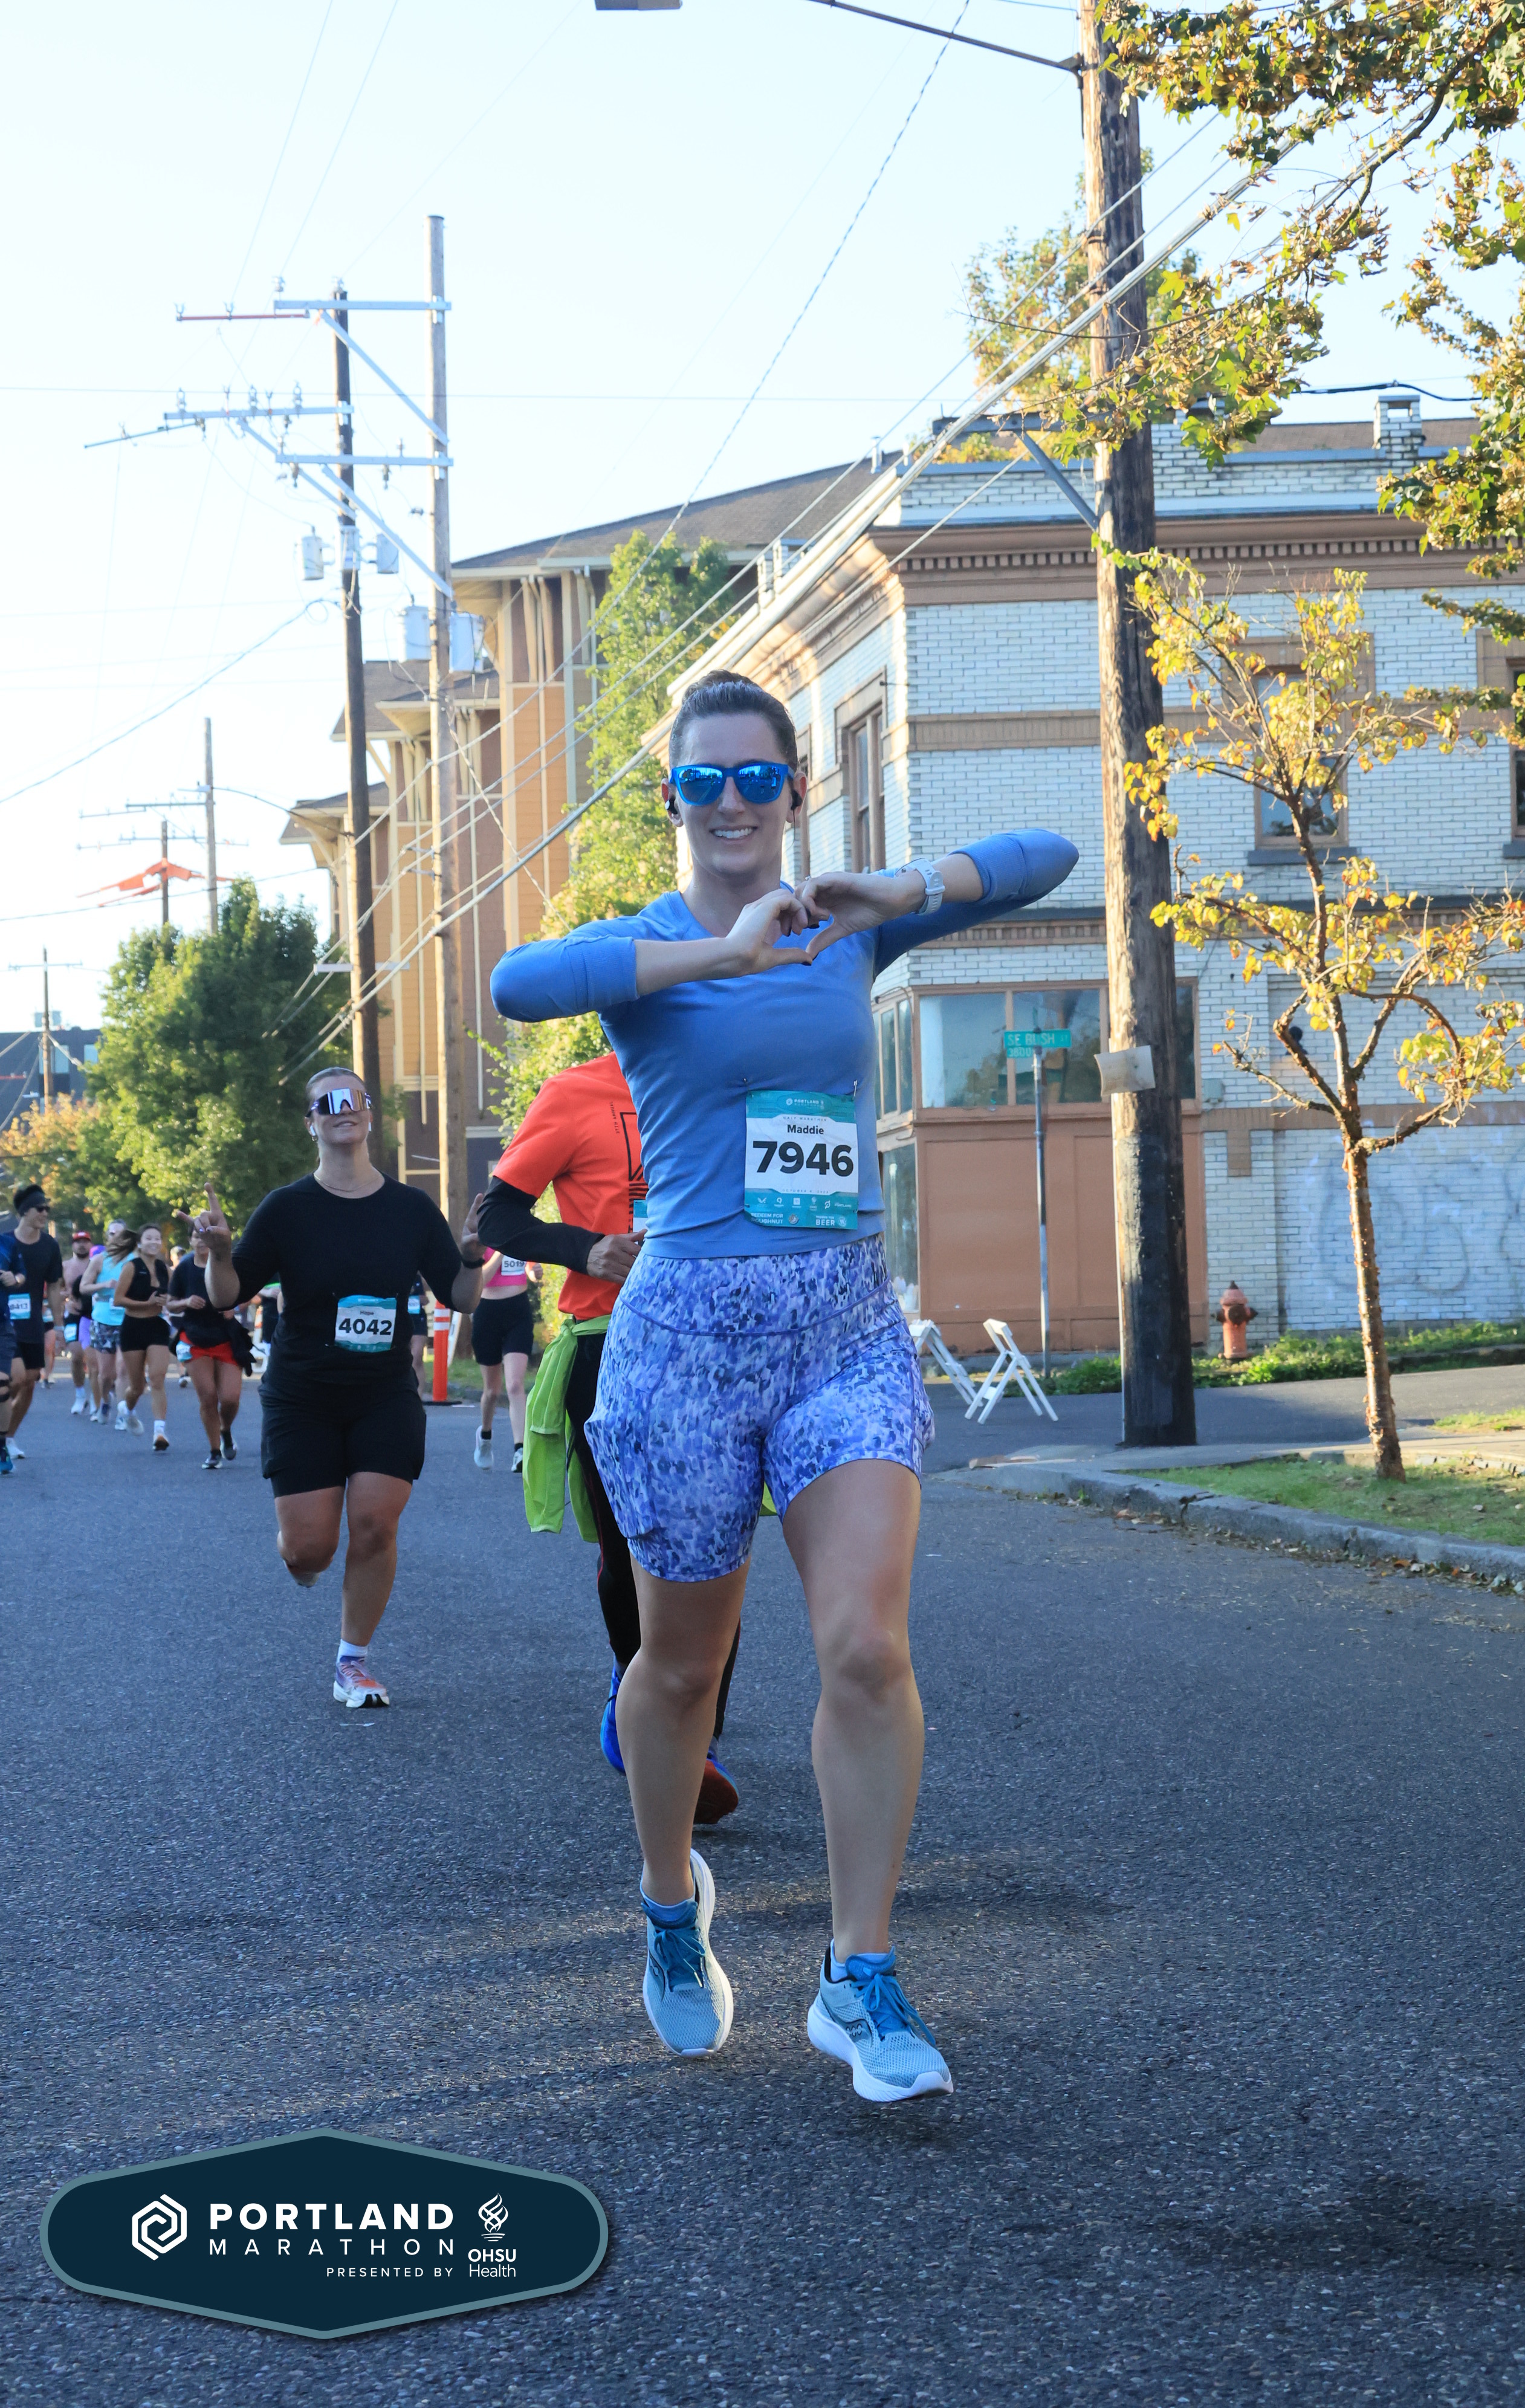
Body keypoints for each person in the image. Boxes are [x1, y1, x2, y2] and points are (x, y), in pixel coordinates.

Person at [490, 668, 1077, 2099]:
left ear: (794, 789)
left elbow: (1046, 855)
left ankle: (857, 1977)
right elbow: (517, 986)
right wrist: (717, 955)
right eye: (704, 781)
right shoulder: (643, 947)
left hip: (840, 1332)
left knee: (865, 1647)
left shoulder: (842, 928)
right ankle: (667, 1903)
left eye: (759, 777)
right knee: (680, 1667)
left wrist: (887, 891)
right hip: (683, 1342)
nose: (733, 802)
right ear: (673, 799)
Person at [481, 1047, 741, 1826]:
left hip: (714, 1343)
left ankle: (695, 1736)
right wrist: (586, 1248)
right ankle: (643, 1698)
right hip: (610, 1341)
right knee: (634, 1548)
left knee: (718, 1547)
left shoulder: (726, 1076)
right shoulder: (576, 1091)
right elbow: (496, 1218)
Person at [193, 1069, 485, 1709]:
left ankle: (352, 1662)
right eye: (327, 1102)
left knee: (375, 1525)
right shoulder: (286, 1208)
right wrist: (218, 1253)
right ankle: (302, 1555)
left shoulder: (411, 1209)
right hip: (304, 1394)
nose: (343, 1108)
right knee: (310, 1549)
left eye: (354, 1098)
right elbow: (226, 1293)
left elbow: (460, 1297)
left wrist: (472, 1259)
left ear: (370, 1113)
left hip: (384, 1390)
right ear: (312, 1123)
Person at [169, 1223, 246, 1468]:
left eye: (206, 1237)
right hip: (195, 1337)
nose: (201, 1241)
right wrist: (186, 1302)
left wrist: (233, 1308)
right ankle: (214, 1451)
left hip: (226, 1338)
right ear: (190, 1241)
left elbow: (246, 1295)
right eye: (196, 1237)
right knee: (209, 1397)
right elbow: (170, 1304)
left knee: (231, 1399)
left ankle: (225, 1430)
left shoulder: (227, 1264)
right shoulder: (184, 1268)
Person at [5, 1186, 65, 1456]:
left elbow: (53, 1287)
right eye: (40, 1209)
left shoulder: (50, 1246)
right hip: (5, 1322)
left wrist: (59, 1326)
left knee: (30, 1381)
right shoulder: (5, 1243)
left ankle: (8, 1438)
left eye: (47, 1209)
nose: (45, 1213)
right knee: (15, 1379)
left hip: (33, 1322)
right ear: (24, 1212)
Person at [469, 1249, 535, 1472]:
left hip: (519, 1311)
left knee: (515, 1385)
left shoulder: (519, 1235)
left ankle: (520, 1450)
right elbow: (480, 1280)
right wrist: (501, 1252)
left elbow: (529, 1266)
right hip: (487, 1313)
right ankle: (485, 1436)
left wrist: (534, 1272)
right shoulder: (483, 1238)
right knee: (492, 1392)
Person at [114, 1223, 175, 1450]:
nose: (154, 1242)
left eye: (157, 1238)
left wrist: (168, 1301)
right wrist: (146, 1304)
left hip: (157, 1327)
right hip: (133, 1328)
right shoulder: (131, 1267)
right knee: (138, 1387)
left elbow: (175, 1296)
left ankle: (160, 1433)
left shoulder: (165, 1269)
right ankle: (127, 1409)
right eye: (149, 1238)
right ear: (139, 1243)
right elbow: (118, 1300)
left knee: (157, 1379)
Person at [83, 1224, 133, 1423]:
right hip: (104, 1319)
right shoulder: (99, 1260)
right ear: (108, 1237)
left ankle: (122, 1414)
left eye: (121, 1234)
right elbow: (84, 1287)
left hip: (128, 1319)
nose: (117, 1237)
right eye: (113, 1234)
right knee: (106, 1375)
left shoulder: (135, 1260)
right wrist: (104, 1285)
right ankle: (105, 1400)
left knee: (123, 1369)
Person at [0, 1215, 25, 1474]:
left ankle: (1, 1446)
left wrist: (14, 1279)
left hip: (2, 1325)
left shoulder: (7, 1244)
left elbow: (21, 1275)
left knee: (2, 1384)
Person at [62, 1231, 96, 1417]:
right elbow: (55, 1290)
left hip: (94, 1315)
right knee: (76, 1356)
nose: (82, 1245)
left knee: (94, 1359)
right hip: (73, 1316)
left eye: (85, 1241)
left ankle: (97, 1395)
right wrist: (66, 1299)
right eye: (78, 1242)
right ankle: (80, 1395)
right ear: (73, 1245)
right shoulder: (65, 1266)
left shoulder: (97, 1264)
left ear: (91, 1244)